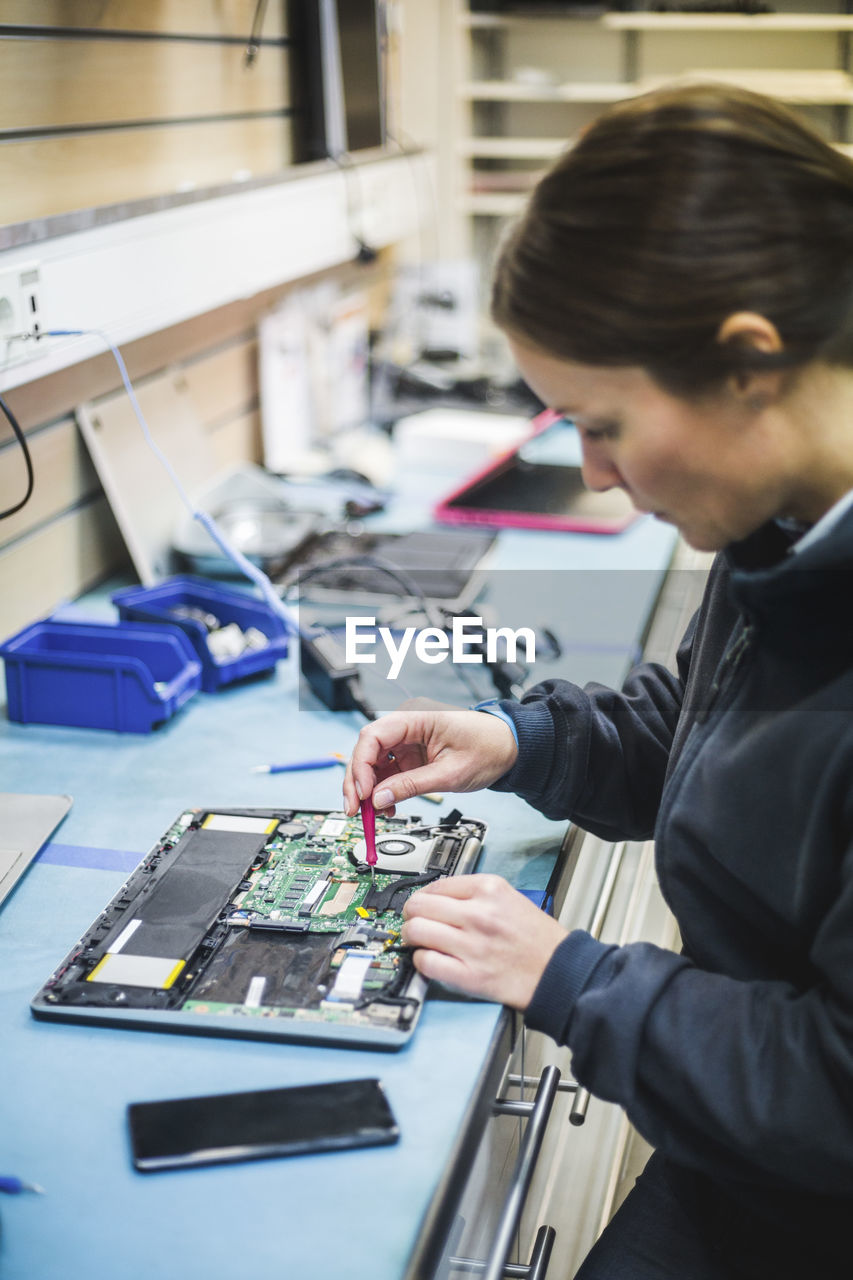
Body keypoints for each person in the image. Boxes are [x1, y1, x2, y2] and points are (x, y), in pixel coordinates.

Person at [343, 83, 853, 1278]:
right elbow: (722, 725)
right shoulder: (789, 521)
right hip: (750, 1154)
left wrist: (567, 976)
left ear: (747, 363)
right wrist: (521, 742)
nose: (594, 472)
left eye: (606, 421)